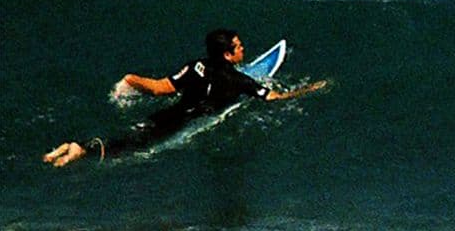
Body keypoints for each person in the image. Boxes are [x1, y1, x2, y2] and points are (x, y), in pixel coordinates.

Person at [42, 28, 325, 167]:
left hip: (165, 115)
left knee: (132, 135)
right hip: (176, 124)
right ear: (228, 55)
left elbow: (157, 88)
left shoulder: (195, 66)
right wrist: (309, 90)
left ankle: (74, 147)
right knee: (129, 145)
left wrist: (130, 79)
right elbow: (273, 98)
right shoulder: (238, 80)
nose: (243, 49)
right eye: (238, 47)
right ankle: (80, 150)